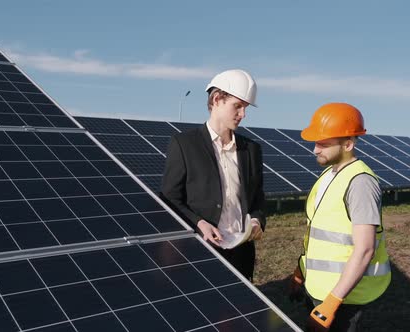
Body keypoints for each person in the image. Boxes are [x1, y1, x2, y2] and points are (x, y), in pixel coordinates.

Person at [288, 103, 392, 331]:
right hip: (320, 288)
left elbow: (365, 249)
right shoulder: (329, 174)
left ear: (348, 144)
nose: (315, 150)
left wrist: (331, 304)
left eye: (323, 144)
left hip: (343, 297)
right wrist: (301, 270)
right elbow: (318, 231)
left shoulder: (361, 183)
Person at [161, 69, 266, 280]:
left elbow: (258, 199)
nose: (242, 114)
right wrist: (199, 223)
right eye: (237, 106)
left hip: (242, 252)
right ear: (217, 99)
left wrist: (256, 221)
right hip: (201, 249)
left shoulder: (251, 149)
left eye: (245, 108)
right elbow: (170, 198)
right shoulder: (185, 144)